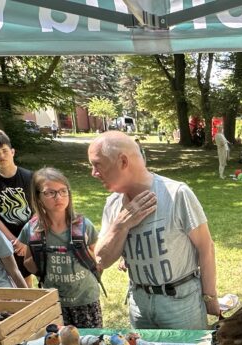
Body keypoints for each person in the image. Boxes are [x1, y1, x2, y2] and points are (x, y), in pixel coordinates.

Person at [88, 131, 222, 329]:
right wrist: (121, 224)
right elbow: (102, 260)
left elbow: (206, 248)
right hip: (139, 303)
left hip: (181, 303)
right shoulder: (113, 204)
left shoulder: (176, 194)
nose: (93, 173)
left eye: (97, 165)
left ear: (123, 162)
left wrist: (210, 297)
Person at [19, 167, 104, 328]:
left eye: (63, 191)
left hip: (85, 299)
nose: (58, 197)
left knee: (91, 344)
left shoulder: (83, 225)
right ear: (38, 197)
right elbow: (28, 262)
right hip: (54, 302)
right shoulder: (32, 229)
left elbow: (99, 259)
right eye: (50, 193)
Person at [0, 129, 35, 286]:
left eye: (4, 151)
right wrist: (16, 242)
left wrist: (27, 239)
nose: (1, 156)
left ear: (12, 151)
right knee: (23, 281)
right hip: (9, 240)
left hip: (33, 235)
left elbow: (39, 211)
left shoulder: (30, 177)